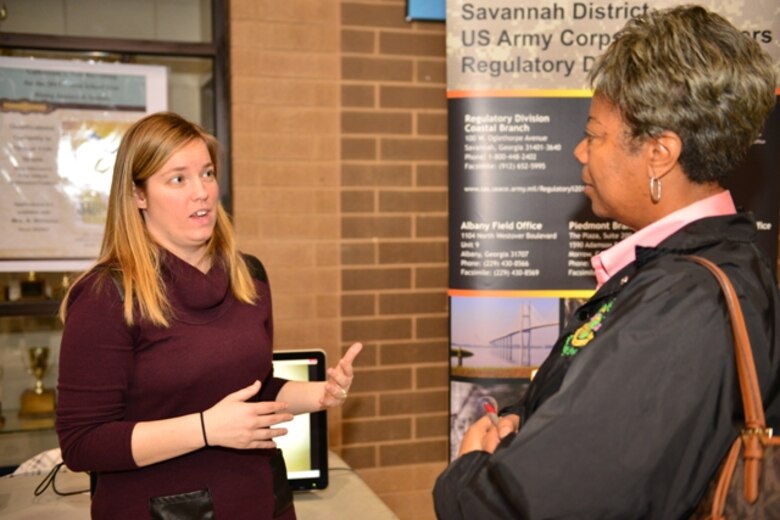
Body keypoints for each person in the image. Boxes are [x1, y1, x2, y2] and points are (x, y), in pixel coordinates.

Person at [434, 5, 779, 519]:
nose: (579, 151)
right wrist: (521, 425)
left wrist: (468, 476)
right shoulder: (718, 264)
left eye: (594, 134)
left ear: (660, 153)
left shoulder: (681, 304)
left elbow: (542, 506)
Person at [56, 112, 363, 519]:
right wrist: (205, 429)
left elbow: (253, 389)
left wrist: (320, 395)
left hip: (263, 500)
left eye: (207, 173)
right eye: (178, 179)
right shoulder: (106, 296)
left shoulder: (247, 275)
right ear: (138, 195)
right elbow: (83, 443)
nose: (201, 192)